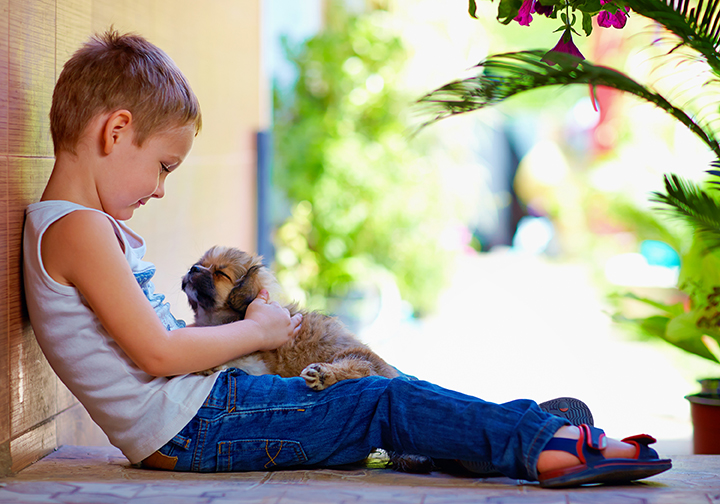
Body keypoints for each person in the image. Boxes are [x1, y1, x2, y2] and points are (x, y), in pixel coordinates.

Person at [23, 29, 671, 488]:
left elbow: (151, 350)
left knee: (373, 401)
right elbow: (156, 355)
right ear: (114, 132)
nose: (160, 188)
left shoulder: (74, 227)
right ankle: (547, 446)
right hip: (196, 428)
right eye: (162, 166)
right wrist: (259, 330)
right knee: (379, 405)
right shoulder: (77, 231)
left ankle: (498, 433)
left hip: (205, 412)